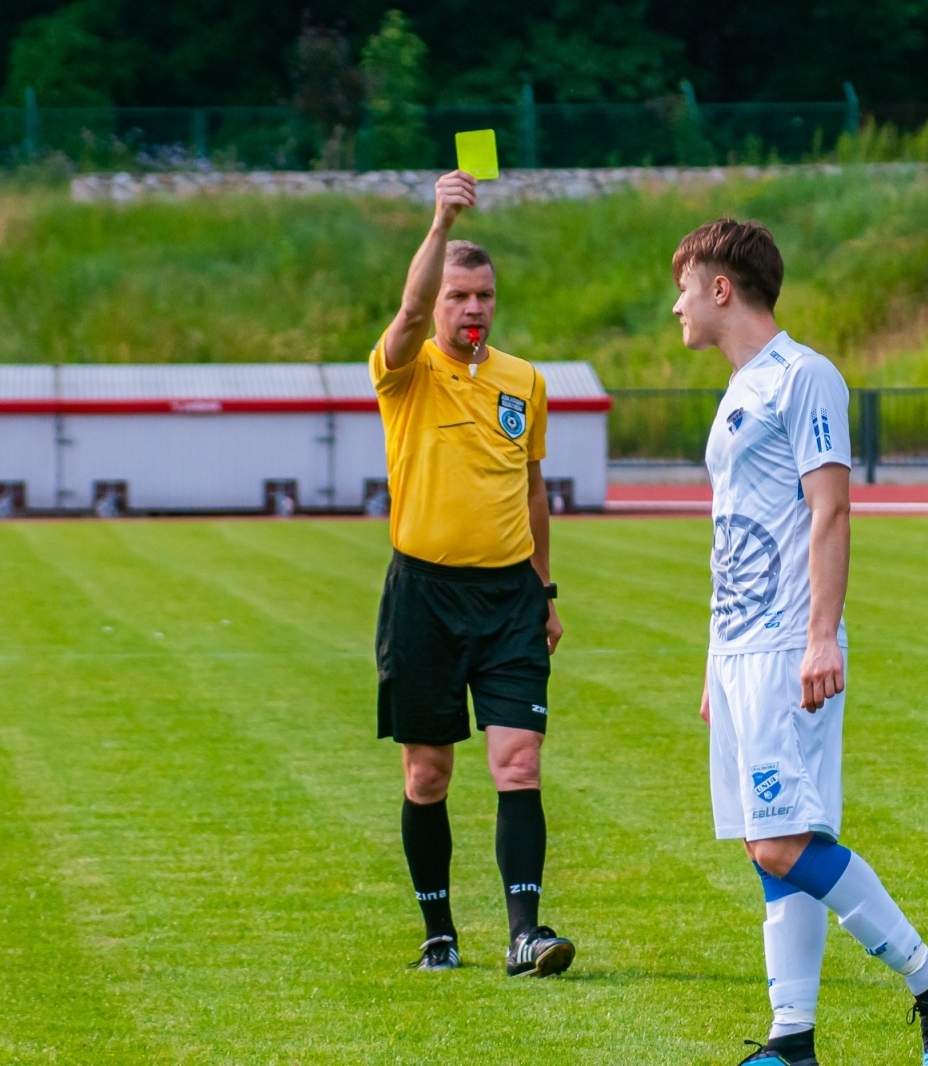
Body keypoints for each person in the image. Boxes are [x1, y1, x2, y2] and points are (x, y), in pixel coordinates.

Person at [672, 218, 928, 1066]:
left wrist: (819, 639)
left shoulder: (806, 379)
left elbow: (830, 509)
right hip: (739, 650)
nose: (677, 307)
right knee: (770, 844)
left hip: (784, 644)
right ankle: (792, 1039)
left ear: (722, 287)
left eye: (686, 288)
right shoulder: (738, 391)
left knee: (782, 839)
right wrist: (713, 661)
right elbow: (734, 533)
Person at [370, 169, 574, 977]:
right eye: (460, 295)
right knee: (428, 772)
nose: (472, 309)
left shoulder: (524, 381)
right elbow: (409, 311)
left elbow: (532, 490)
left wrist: (546, 590)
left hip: (510, 599)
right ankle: (439, 933)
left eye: (483, 295)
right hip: (422, 594)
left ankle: (526, 934)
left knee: (519, 760)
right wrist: (439, 221)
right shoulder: (404, 368)